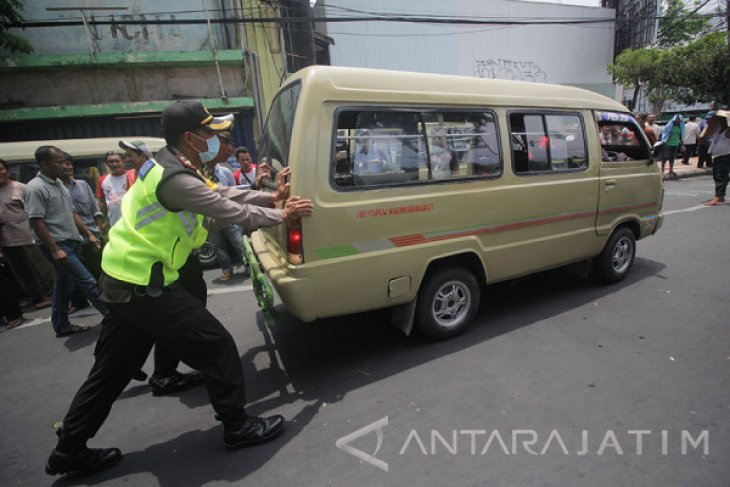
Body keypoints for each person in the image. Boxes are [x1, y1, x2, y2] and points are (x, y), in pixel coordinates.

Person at [44, 100, 313, 477]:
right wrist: (281, 214)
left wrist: (270, 197)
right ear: (192, 138)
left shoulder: (170, 163)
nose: (219, 139)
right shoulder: (178, 179)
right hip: (146, 287)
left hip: (122, 280)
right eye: (212, 133)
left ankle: (69, 449)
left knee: (112, 371)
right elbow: (228, 211)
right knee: (217, 345)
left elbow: (221, 193)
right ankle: (237, 426)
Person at [22, 146, 108, 338]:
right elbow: (36, 220)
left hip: (72, 241)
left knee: (64, 286)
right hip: (59, 245)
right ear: (44, 164)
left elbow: (71, 213)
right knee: (88, 281)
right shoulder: (35, 188)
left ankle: (61, 325)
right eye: (59, 162)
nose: (64, 166)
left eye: (64, 162)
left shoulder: (59, 184)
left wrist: (88, 234)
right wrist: (54, 249)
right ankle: (115, 320)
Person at [0, 157, 54, 310]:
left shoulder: (21, 188)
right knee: (20, 272)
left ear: (7, 171)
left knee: (41, 267)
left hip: (27, 236)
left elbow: (35, 212)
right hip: (7, 240)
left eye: (0, 169)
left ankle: (50, 294)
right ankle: (35, 296)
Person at [204, 133, 244, 281]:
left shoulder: (225, 172)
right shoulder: (201, 174)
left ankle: (248, 266)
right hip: (211, 216)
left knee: (238, 242)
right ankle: (227, 270)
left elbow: (235, 192)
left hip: (229, 214)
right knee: (218, 245)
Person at [96, 151, 132, 228]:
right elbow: (102, 203)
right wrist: (102, 222)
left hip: (133, 221)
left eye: (117, 161)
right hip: (115, 224)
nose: (114, 164)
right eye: (111, 162)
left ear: (123, 161)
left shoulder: (132, 175)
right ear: (107, 164)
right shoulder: (103, 180)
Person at [702, 111, 730, 206]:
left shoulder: (728, 131)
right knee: (716, 176)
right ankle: (719, 195)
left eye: (723, 119)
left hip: (725, 156)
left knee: (721, 176)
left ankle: (719, 196)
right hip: (717, 156)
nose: (721, 121)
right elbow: (710, 141)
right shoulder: (719, 131)